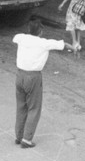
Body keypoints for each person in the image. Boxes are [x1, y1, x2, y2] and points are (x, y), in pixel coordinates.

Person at [12, 18, 75, 148]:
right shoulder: (44, 43)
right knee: (34, 108)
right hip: (33, 77)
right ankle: (27, 139)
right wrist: (73, 47)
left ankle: (18, 136)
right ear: (40, 31)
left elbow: (16, 38)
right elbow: (63, 45)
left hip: (20, 75)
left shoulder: (20, 37)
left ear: (29, 29)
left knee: (21, 106)